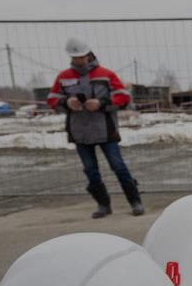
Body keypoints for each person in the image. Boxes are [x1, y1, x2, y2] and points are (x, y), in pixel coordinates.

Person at [47, 38, 143, 218]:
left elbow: (123, 98)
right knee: (90, 170)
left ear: (89, 54)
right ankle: (103, 205)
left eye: (81, 57)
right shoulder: (63, 77)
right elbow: (52, 99)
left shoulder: (106, 74)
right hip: (80, 132)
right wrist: (67, 102)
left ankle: (135, 201)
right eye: (75, 57)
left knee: (118, 167)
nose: (79, 60)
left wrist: (101, 103)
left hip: (106, 130)